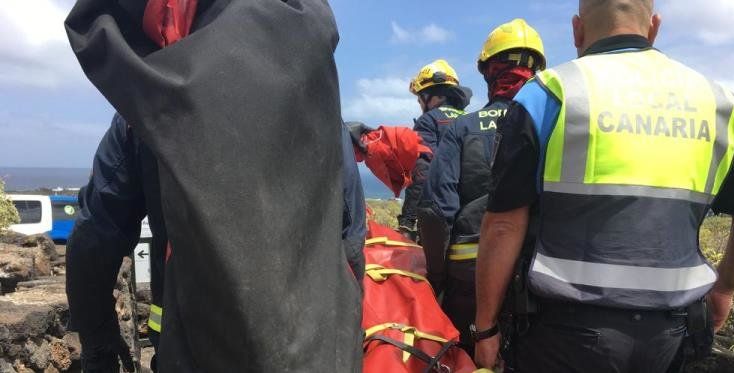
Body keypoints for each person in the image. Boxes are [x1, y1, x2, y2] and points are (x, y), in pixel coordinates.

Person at [66, 1, 363, 371]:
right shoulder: (321, 115)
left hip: (193, 353)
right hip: (313, 356)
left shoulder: (150, 110)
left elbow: (96, 237)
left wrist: (98, 345)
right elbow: (350, 241)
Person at [474, 1, 734, 372]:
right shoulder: (719, 104)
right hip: (672, 336)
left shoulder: (549, 93)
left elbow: (503, 225)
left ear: (577, 30)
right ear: (654, 27)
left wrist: (484, 328)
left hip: (563, 338)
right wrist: (724, 286)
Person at [418, 19, 546, 355]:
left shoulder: (462, 128)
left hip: (469, 281)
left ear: (488, 72)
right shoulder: (555, 125)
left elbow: (435, 212)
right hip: (540, 279)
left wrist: (436, 279)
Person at [67, 113, 167, 373]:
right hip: (284, 340)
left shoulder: (151, 98)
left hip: (191, 342)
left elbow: (94, 236)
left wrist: (99, 343)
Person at [399, 60, 471, 240]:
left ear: (434, 95)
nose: (420, 103)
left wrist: (408, 221)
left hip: (439, 219)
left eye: (420, 97)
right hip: (471, 218)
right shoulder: (471, 121)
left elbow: (422, 173)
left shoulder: (428, 121)